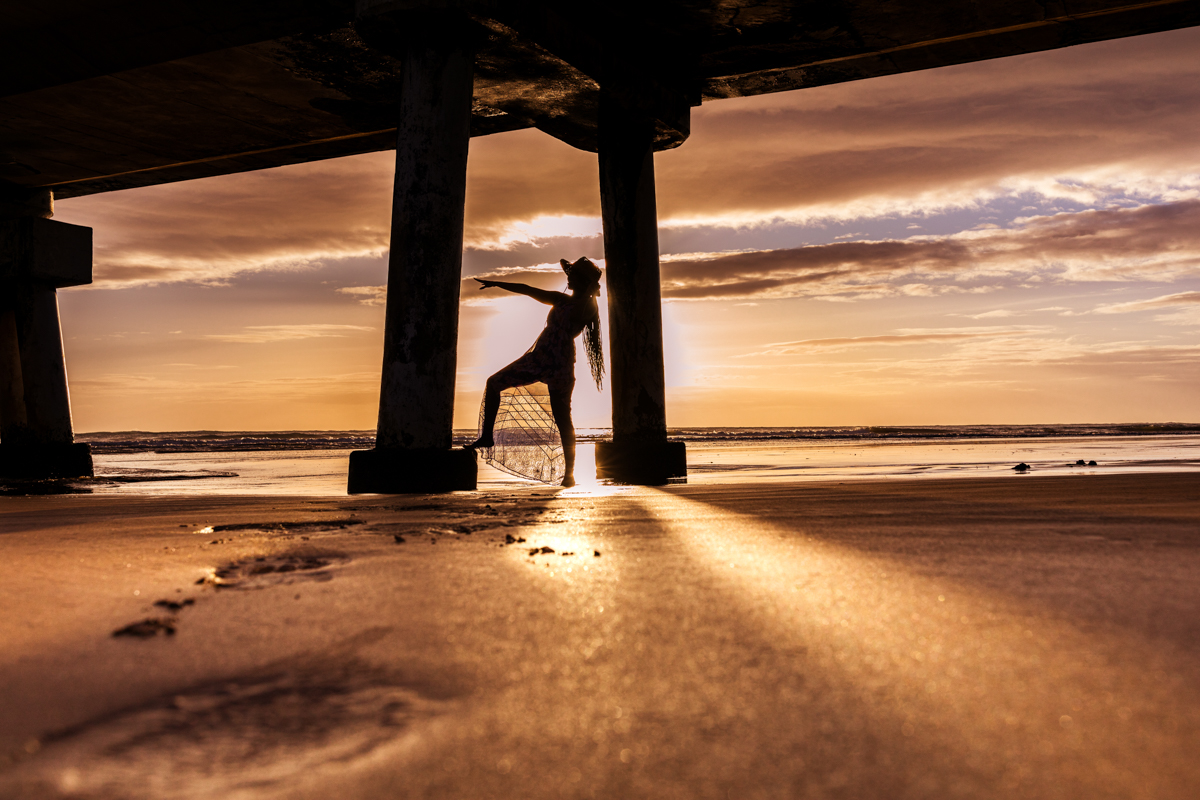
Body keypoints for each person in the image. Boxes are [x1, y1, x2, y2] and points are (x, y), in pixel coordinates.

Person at [465, 257, 604, 487]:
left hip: (560, 365)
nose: (568, 278)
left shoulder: (589, 306)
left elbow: (584, 311)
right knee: (494, 382)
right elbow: (528, 290)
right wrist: (498, 283)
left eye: (573, 276)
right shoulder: (560, 299)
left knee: (563, 419)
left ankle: (569, 474)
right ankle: (488, 436)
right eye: (569, 275)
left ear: (583, 281)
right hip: (538, 358)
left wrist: (591, 290)